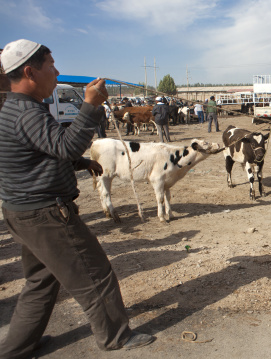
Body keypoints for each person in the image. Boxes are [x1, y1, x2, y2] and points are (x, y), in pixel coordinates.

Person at [0, 39, 155, 359]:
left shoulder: (16, 109)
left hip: (22, 211)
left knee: (41, 281)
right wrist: (91, 105)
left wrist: (79, 162)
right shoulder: (27, 113)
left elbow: (41, 151)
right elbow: (66, 146)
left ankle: (17, 347)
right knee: (94, 275)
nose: (57, 72)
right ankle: (116, 337)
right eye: (51, 66)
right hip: (45, 214)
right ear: (30, 71)